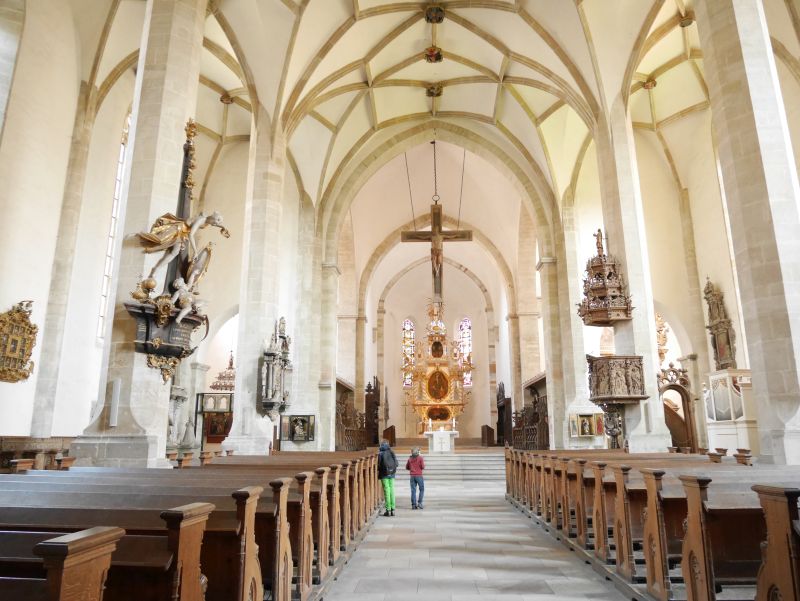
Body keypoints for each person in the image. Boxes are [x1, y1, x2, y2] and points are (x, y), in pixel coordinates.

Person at [378, 440, 398, 516]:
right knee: (392, 490)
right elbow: (396, 463)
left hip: (384, 474)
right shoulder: (391, 451)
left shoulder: (381, 453)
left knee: (387, 490)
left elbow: (379, 465)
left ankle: (388, 509)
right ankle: (393, 509)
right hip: (392, 473)